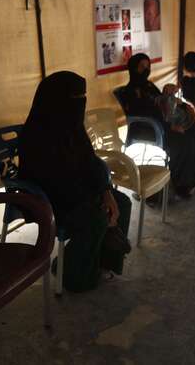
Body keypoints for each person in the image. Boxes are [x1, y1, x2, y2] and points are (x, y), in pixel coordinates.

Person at [19, 71, 132, 292]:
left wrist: (106, 191)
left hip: (82, 192)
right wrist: (96, 199)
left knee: (123, 203)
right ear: (56, 100)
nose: (81, 103)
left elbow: (92, 162)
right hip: (51, 201)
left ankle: (102, 262)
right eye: (75, 98)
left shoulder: (73, 128)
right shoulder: (36, 136)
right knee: (96, 217)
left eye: (83, 96)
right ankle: (75, 278)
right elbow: (51, 182)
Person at [117, 53, 195, 197]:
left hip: (163, 124)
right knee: (183, 141)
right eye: (141, 67)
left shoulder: (148, 85)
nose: (145, 69)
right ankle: (183, 185)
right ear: (133, 68)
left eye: (147, 66)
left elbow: (162, 104)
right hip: (149, 129)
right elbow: (148, 114)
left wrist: (180, 104)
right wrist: (170, 126)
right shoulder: (131, 91)